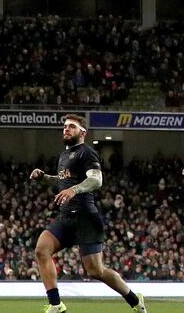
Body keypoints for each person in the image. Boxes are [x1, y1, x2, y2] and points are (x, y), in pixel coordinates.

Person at [30, 114, 147, 313]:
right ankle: (56, 304)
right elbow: (63, 182)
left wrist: (74, 190)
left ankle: (135, 300)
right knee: (41, 250)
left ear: (82, 132)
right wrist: (44, 177)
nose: (66, 129)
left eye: (71, 126)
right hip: (66, 217)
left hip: (85, 217)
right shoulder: (64, 156)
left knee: (96, 271)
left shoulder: (87, 152)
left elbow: (96, 180)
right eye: (65, 126)